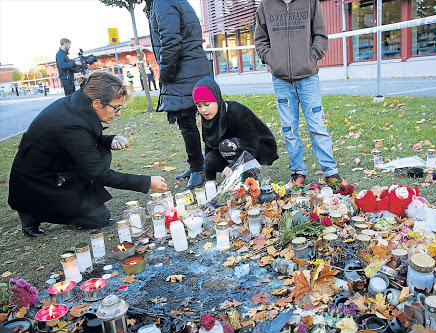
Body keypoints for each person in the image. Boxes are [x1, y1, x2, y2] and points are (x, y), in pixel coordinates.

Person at [8, 71, 168, 237]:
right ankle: (33, 212)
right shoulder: (71, 124)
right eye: (116, 108)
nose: (118, 113)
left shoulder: (78, 105)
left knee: (101, 154)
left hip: (57, 169)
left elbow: (78, 143)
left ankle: (73, 199)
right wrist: (147, 181)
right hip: (37, 184)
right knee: (99, 218)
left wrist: (109, 139)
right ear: (97, 103)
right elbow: (99, 173)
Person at [255, 0, 344, 187]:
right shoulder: (265, 5)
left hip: (308, 77)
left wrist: (312, 56)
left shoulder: (310, 2)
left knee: (317, 125)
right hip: (280, 79)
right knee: (289, 128)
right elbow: (261, 40)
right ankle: (297, 172)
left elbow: (320, 34)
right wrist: (271, 59)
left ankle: (331, 172)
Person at [146, 0, 211, 188]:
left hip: (183, 69)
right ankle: (199, 166)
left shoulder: (162, 1)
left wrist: (165, 74)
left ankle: (199, 168)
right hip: (191, 66)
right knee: (200, 119)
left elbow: (170, 41)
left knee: (187, 121)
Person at [193, 77, 278, 181]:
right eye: (199, 106)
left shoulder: (236, 111)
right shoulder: (207, 116)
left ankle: (247, 175)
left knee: (227, 145)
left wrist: (233, 166)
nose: (203, 110)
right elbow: (209, 145)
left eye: (207, 104)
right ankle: (235, 174)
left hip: (257, 148)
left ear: (217, 99)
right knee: (210, 159)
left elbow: (253, 143)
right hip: (231, 151)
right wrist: (210, 181)